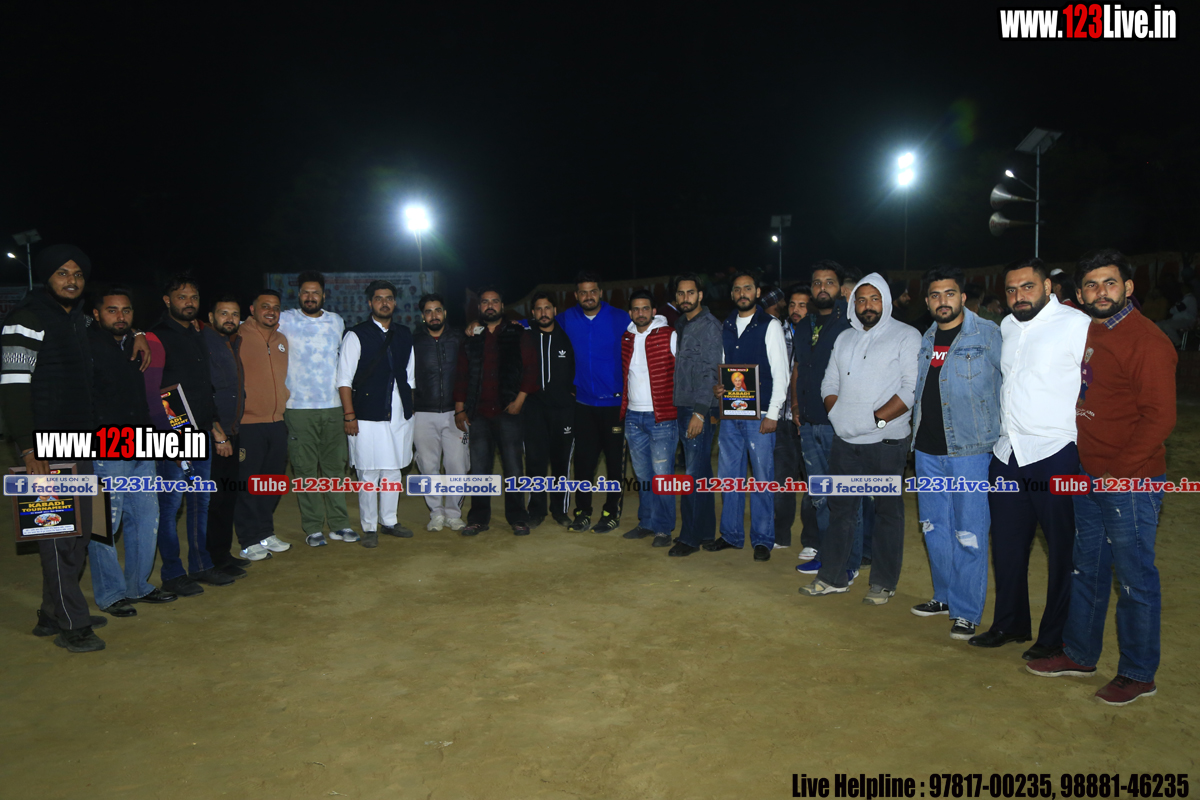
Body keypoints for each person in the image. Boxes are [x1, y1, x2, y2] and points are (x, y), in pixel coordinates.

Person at [1026, 249, 1177, 706]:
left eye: (1110, 283)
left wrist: (1118, 473)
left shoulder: (1147, 341)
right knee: (1087, 569)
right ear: (1079, 292)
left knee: (1134, 579)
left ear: (1128, 287)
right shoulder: (1088, 329)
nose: (1101, 292)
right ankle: (1079, 653)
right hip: (1088, 474)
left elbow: (1159, 418)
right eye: (1091, 285)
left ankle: (1138, 673)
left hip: (1129, 482)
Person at [968, 257, 1090, 661]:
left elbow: (1094, 384)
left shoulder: (1076, 324)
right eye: (1011, 290)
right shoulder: (1007, 326)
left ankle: (1055, 636)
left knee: (1062, 550)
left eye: (1028, 287)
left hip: (1056, 452)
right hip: (1008, 453)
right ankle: (1010, 623)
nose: (1019, 296)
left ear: (1048, 287)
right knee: (1006, 545)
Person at [2, 246, 106, 651]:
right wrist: (29, 450)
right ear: (46, 276)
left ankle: (52, 611)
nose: (71, 280)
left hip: (79, 442)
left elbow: (109, 330)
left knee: (79, 534)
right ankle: (72, 623)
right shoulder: (25, 319)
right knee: (58, 534)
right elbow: (13, 389)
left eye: (77, 274)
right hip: (45, 447)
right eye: (63, 273)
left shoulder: (76, 319)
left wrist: (135, 335)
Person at [800, 274, 921, 602]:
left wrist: (875, 420)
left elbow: (911, 388)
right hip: (846, 442)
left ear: (886, 301)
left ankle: (883, 583)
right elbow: (829, 383)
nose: (868, 306)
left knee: (886, 513)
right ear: (853, 304)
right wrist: (838, 415)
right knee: (841, 510)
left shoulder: (906, 335)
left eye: (875, 299)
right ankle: (834, 577)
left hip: (886, 443)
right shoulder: (845, 338)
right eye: (862, 300)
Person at [908, 266, 1002, 639]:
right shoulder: (927, 337)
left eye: (949, 293)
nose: (942, 301)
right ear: (927, 301)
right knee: (934, 528)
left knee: (970, 532)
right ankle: (944, 596)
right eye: (935, 295)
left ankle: (966, 611)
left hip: (971, 450)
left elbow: (1008, 384)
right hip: (927, 450)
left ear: (963, 297)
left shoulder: (988, 334)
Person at [87, 288, 178, 617]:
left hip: (142, 444)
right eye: (111, 310)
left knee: (145, 519)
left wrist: (137, 334)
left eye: (126, 310)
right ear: (96, 314)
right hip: (106, 447)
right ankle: (111, 594)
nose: (120, 316)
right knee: (103, 525)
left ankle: (138, 585)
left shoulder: (132, 343)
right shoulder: (86, 344)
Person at [152, 274, 233, 596]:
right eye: (182, 296)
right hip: (173, 434)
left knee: (201, 502)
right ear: (167, 300)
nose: (189, 302)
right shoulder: (157, 337)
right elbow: (155, 391)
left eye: (194, 297)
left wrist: (214, 427)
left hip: (200, 431)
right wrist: (173, 437)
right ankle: (173, 573)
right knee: (170, 506)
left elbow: (202, 388)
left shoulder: (198, 333)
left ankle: (201, 565)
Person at [704, 270, 789, 562]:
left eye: (748, 288)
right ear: (732, 294)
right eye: (738, 289)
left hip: (761, 415)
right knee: (729, 477)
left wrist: (773, 413)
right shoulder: (726, 325)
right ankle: (731, 535)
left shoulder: (770, 325)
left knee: (762, 478)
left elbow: (781, 374)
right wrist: (719, 388)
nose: (743, 293)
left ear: (757, 292)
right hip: (731, 415)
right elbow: (724, 366)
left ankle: (763, 539)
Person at [278, 271, 356, 547]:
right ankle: (312, 527)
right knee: (305, 469)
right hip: (298, 408)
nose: (310, 297)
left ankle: (339, 524)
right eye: (305, 292)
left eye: (315, 293)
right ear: (298, 295)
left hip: (333, 407)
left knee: (335, 469)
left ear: (323, 295)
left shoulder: (336, 321)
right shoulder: (285, 319)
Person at [454, 287, 540, 535]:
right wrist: (459, 408)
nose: (489, 306)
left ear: (502, 306)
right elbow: (461, 374)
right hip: (478, 414)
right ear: (479, 307)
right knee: (479, 469)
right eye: (485, 302)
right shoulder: (471, 336)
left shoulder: (517, 333)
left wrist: (520, 400)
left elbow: (531, 369)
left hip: (508, 411)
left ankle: (518, 517)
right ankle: (478, 518)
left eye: (494, 302)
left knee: (514, 468)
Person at [337, 280, 416, 548]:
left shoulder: (404, 334)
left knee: (393, 470)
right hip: (366, 415)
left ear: (395, 302)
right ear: (370, 303)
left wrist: (409, 412)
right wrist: (349, 415)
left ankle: (390, 521)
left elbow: (410, 378)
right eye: (379, 298)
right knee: (368, 472)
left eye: (389, 298)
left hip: (399, 415)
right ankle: (369, 527)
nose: (385, 303)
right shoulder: (356, 335)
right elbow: (344, 380)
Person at [791, 261, 853, 569]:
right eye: (817, 283)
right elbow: (799, 368)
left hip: (837, 424)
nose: (822, 287)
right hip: (807, 422)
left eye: (829, 282)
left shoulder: (850, 324)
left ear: (840, 288)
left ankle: (846, 557)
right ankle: (828, 554)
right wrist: (795, 405)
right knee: (819, 493)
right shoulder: (805, 324)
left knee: (843, 494)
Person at [556, 271, 628, 532]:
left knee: (615, 465)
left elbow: (649, 325)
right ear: (576, 295)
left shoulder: (621, 317)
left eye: (593, 291)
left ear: (601, 293)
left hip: (614, 406)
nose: (589, 296)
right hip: (583, 405)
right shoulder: (566, 318)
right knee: (584, 463)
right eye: (583, 292)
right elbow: (537, 323)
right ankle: (582, 512)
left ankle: (610, 512)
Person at [233, 290, 293, 560]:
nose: (271, 311)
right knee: (248, 485)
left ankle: (265, 533)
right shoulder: (238, 335)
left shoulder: (281, 340)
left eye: (276, 307)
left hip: (276, 421)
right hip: (248, 423)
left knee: (272, 482)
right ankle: (248, 541)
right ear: (252, 309)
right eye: (265, 306)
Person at [666, 274, 722, 557]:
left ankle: (689, 538)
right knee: (700, 472)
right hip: (685, 405)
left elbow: (711, 371)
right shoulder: (682, 323)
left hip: (698, 408)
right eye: (680, 293)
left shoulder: (709, 326)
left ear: (700, 295)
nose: (685, 298)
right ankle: (706, 532)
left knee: (691, 475)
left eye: (690, 293)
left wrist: (700, 412)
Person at [619, 290, 678, 548]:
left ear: (654, 311)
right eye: (636, 309)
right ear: (630, 312)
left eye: (645, 308)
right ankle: (647, 522)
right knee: (643, 475)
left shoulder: (669, 335)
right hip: (633, 417)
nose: (640, 313)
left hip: (662, 417)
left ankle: (664, 529)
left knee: (662, 476)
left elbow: (683, 372)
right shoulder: (627, 337)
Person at [203, 294, 253, 573]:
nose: (230, 319)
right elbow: (203, 393)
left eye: (234, 314)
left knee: (226, 498)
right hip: (214, 435)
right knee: (214, 500)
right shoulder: (204, 343)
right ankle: (211, 560)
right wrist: (217, 433)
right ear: (211, 317)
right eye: (223, 313)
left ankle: (222, 554)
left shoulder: (231, 343)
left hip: (231, 431)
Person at [412, 293, 469, 531]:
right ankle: (436, 512)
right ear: (422, 316)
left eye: (437, 310)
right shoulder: (414, 341)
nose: (433, 315)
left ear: (445, 313)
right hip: (422, 413)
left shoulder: (460, 338)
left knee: (458, 465)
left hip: (456, 413)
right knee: (428, 465)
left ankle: (454, 513)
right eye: (428, 311)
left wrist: (463, 407)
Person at [523, 291, 575, 528]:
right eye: (538, 309)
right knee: (535, 462)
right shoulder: (525, 337)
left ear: (555, 310)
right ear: (533, 313)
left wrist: (572, 392)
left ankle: (560, 510)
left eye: (547, 308)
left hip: (563, 411)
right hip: (534, 411)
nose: (543, 313)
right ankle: (536, 510)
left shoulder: (567, 336)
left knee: (561, 462)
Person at [774, 283, 813, 550]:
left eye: (802, 305)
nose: (796, 310)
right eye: (792, 305)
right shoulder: (776, 331)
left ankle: (811, 540)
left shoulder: (819, 334)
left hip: (809, 421)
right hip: (780, 419)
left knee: (813, 482)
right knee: (782, 480)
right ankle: (781, 535)